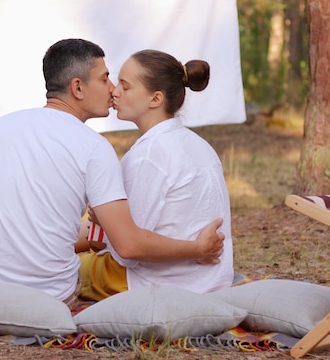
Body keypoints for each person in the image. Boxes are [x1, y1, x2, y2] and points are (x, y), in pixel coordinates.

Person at [0, 39, 225, 325]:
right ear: (78, 87)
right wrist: (195, 250)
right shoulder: (97, 149)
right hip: (57, 294)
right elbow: (125, 241)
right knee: (51, 238)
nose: (112, 89)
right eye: (105, 79)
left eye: (118, 82)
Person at [77, 49, 234, 301]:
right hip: (209, 281)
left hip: (152, 284)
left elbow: (127, 249)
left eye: (126, 87)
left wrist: (102, 223)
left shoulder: (149, 155)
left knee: (61, 267)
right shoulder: (199, 145)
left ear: (155, 99)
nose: (114, 91)